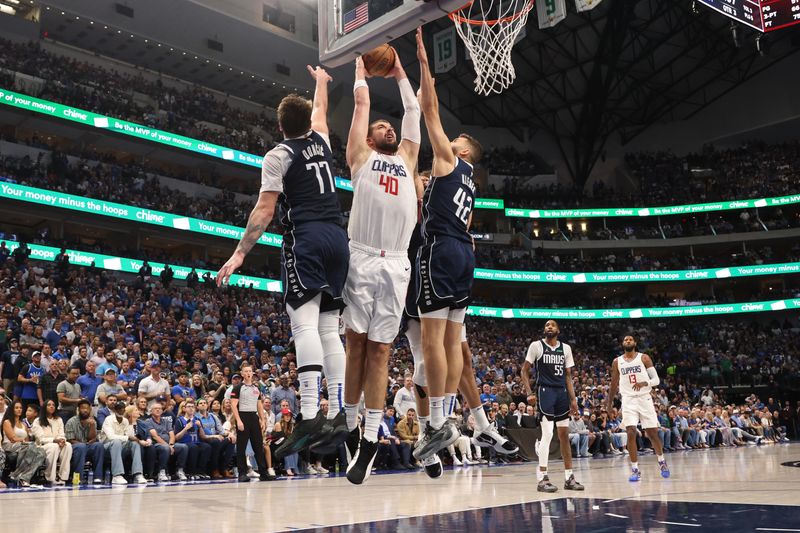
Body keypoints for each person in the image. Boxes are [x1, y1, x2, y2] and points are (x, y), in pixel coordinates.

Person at [217, 65, 350, 460]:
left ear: (279, 126)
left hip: (306, 238)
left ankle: (309, 413)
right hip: (337, 240)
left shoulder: (279, 154)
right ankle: (339, 412)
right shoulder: (323, 142)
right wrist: (321, 84)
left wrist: (240, 252)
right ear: (307, 121)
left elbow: (264, 210)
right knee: (329, 329)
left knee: (304, 323)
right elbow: (322, 115)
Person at [342, 43, 421, 486]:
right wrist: (360, 73)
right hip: (362, 255)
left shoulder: (408, 159)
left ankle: (370, 439)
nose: (388, 128)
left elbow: (413, 114)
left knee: (382, 351)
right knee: (357, 346)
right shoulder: (360, 158)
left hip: (396, 262)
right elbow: (361, 104)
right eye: (381, 127)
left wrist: (400, 74)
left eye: (391, 127)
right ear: (370, 139)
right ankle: (351, 428)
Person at [412, 27, 482, 464]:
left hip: (440, 251)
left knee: (433, 339)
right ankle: (449, 417)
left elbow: (428, 108)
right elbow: (468, 225)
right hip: (465, 255)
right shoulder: (472, 185)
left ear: (462, 152)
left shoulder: (449, 160)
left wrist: (423, 63)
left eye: (455, 142)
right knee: (454, 342)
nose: (448, 141)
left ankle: (437, 423)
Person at [521, 320, 584, 492]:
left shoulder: (566, 349)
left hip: (562, 393)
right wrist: (529, 393)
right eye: (547, 325)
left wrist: (573, 399)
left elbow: (568, 376)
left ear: (558, 330)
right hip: (545, 391)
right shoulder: (536, 346)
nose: (549, 327)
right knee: (548, 433)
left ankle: (569, 478)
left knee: (564, 435)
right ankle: (542, 478)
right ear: (544, 330)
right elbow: (524, 370)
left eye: (553, 325)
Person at [607, 335, 670, 481]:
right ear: (622, 344)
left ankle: (661, 461)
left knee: (652, 433)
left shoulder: (644, 358)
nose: (627, 341)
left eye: (630, 340)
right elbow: (613, 384)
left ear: (635, 343)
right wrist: (608, 405)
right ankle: (635, 469)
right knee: (630, 432)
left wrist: (643, 383)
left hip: (644, 398)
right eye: (625, 340)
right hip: (628, 400)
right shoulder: (617, 361)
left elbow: (656, 380)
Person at [229, 363, 271, 482]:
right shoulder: (237, 388)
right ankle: (242, 473)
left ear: (252, 373)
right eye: (245, 371)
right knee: (241, 448)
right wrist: (238, 421)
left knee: (258, 446)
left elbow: (259, 405)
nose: (248, 373)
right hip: (242, 416)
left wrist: (262, 419)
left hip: (253, 417)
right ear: (242, 374)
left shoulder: (256, 388)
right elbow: (233, 405)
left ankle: (263, 472)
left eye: (250, 371)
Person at [1, 400, 47, 487]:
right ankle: (16, 474)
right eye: (16, 408)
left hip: (23, 446)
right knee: (31, 446)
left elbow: (27, 440)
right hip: (9, 446)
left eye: (21, 408)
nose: (19, 409)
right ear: (12, 409)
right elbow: (12, 438)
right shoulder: (7, 422)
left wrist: (26, 442)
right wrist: (23, 441)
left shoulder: (23, 424)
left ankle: (24, 478)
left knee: (41, 452)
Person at [101, 402, 148, 485]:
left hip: (121, 447)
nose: (121, 410)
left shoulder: (125, 421)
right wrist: (128, 437)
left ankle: (138, 474)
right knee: (116, 441)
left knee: (135, 443)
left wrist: (131, 422)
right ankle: (117, 475)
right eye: (119, 408)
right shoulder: (108, 419)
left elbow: (130, 435)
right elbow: (111, 437)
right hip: (106, 447)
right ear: (115, 410)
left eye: (123, 408)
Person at [31, 399, 72, 486]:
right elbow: (40, 439)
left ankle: (63, 477)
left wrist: (62, 440)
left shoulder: (59, 419)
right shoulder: (38, 421)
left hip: (57, 444)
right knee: (54, 446)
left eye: (53, 405)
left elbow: (61, 433)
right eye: (49, 405)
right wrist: (54, 440)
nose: (51, 406)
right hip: (42, 447)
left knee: (68, 445)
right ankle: (50, 477)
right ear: (44, 407)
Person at [144, 402, 189, 482]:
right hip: (156, 445)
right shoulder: (148, 421)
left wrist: (171, 445)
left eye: (160, 408)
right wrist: (168, 446)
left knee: (183, 447)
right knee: (165, 448)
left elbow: (172, 434)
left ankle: (180, 470)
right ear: (151, 411)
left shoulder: (166, 421)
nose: (158, 410)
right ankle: (161, 472)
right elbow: (155, 436)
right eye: (155, 408)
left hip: (169, 444)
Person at [65, 399, 105, 485]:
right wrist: (82, 444)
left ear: (90, 410)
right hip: (74, 448)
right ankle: (78, 477)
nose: (85, 410)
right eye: (83, 408)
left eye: (87, 408)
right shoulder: (71, 422)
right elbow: (70, 440)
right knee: (81, 447)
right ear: (78, 410)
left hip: (87, 446)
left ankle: (97, 477)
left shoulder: (93, 421)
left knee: (98, 446)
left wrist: (92, 426)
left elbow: (92, 438)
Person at [196, 397, 236, 479]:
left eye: (205, 403)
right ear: (197, 407)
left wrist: (230, 434)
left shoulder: (213, 416)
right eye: (201, 403)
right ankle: (214, 469)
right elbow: (201, 435)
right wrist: (215, 436)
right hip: (204, 439)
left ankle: (224, 468)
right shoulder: (196, 417)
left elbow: (221, 431)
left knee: (231, 440)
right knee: (216, 442)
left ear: (207, 406)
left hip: (216, 439)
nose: (203, 404)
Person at [174, 399, 212, 480]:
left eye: (192, 407)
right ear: (185, 408)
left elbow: (202, 436)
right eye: (189, 407)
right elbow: (176, 437)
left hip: (196, 441)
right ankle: (191, 472)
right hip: (184, 442)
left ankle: (201, 471)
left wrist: (200, 427)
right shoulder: (179, 420)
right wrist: (185, 429)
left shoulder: (197, 420)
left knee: (207, 447)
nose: (191, 408)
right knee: (193, 448)